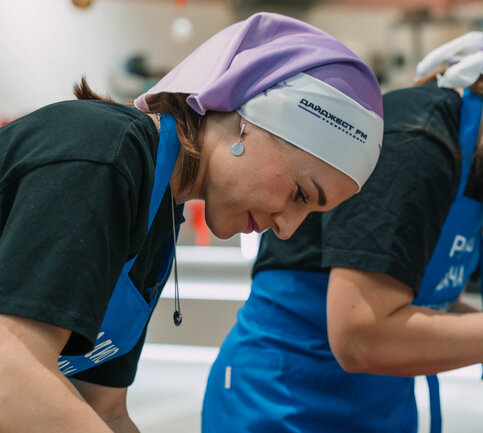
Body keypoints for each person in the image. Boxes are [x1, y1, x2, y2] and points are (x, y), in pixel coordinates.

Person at [202, 5, 483, 433]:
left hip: (378, 406)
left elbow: (420, 304)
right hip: (282, 404)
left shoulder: (482, 166)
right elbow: (359, 336)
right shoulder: (416, 142)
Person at [0, 12, 383, 433]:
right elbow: (11, 373)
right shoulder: (106, 156)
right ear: (250, 123)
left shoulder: (160, 215)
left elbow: (104, 409)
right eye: (300, 194)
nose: (288, 228)